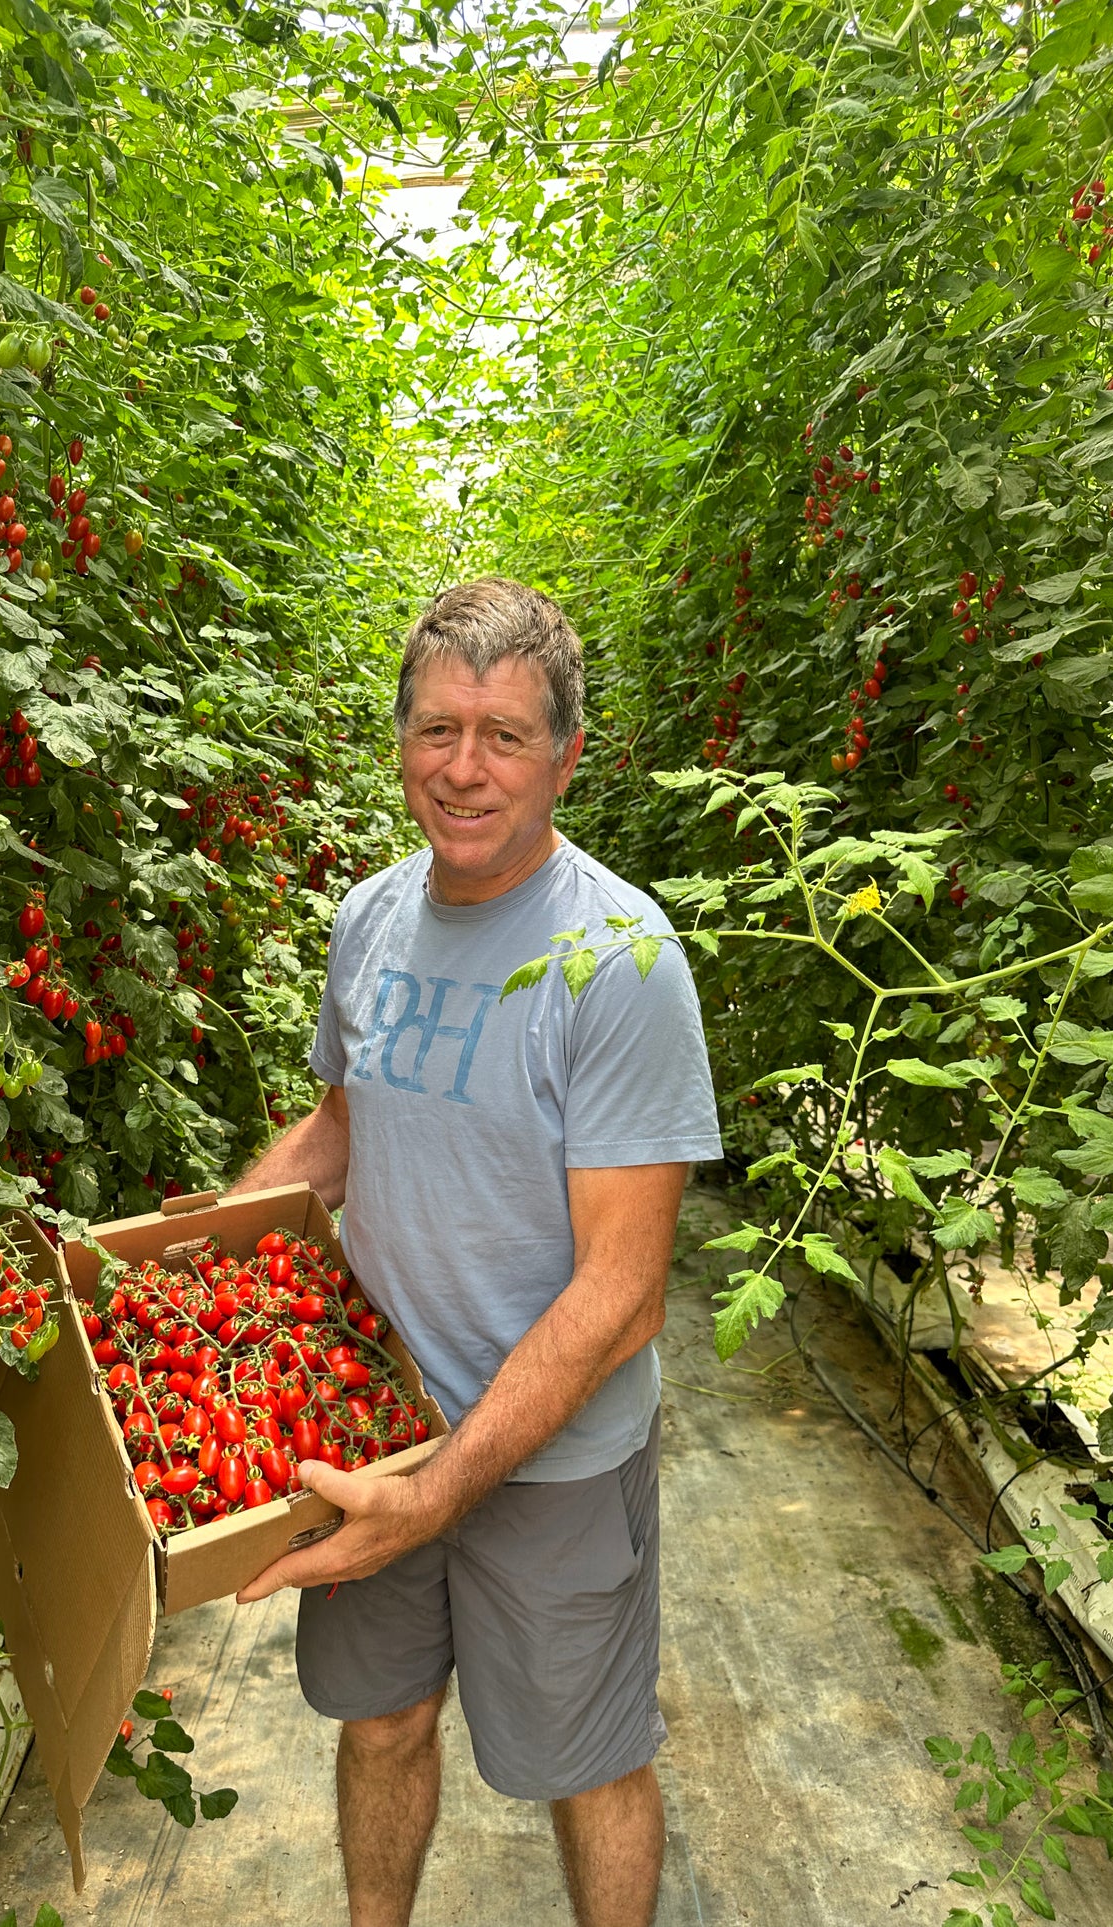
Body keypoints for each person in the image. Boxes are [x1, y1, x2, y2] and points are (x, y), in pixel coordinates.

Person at [229, 578, 722, 1927]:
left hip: (550, 1459)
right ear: (397, 739)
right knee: (380, 1723)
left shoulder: (617, 958)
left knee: (588, 1765)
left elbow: (619, 1297)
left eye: (504, 736)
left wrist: (444, 1488)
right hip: (377, 1427)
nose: (464, 767)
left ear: (565, 755)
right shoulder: (370, 918)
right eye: (438, 728)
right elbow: (338, 1131)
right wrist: (190, 1257)